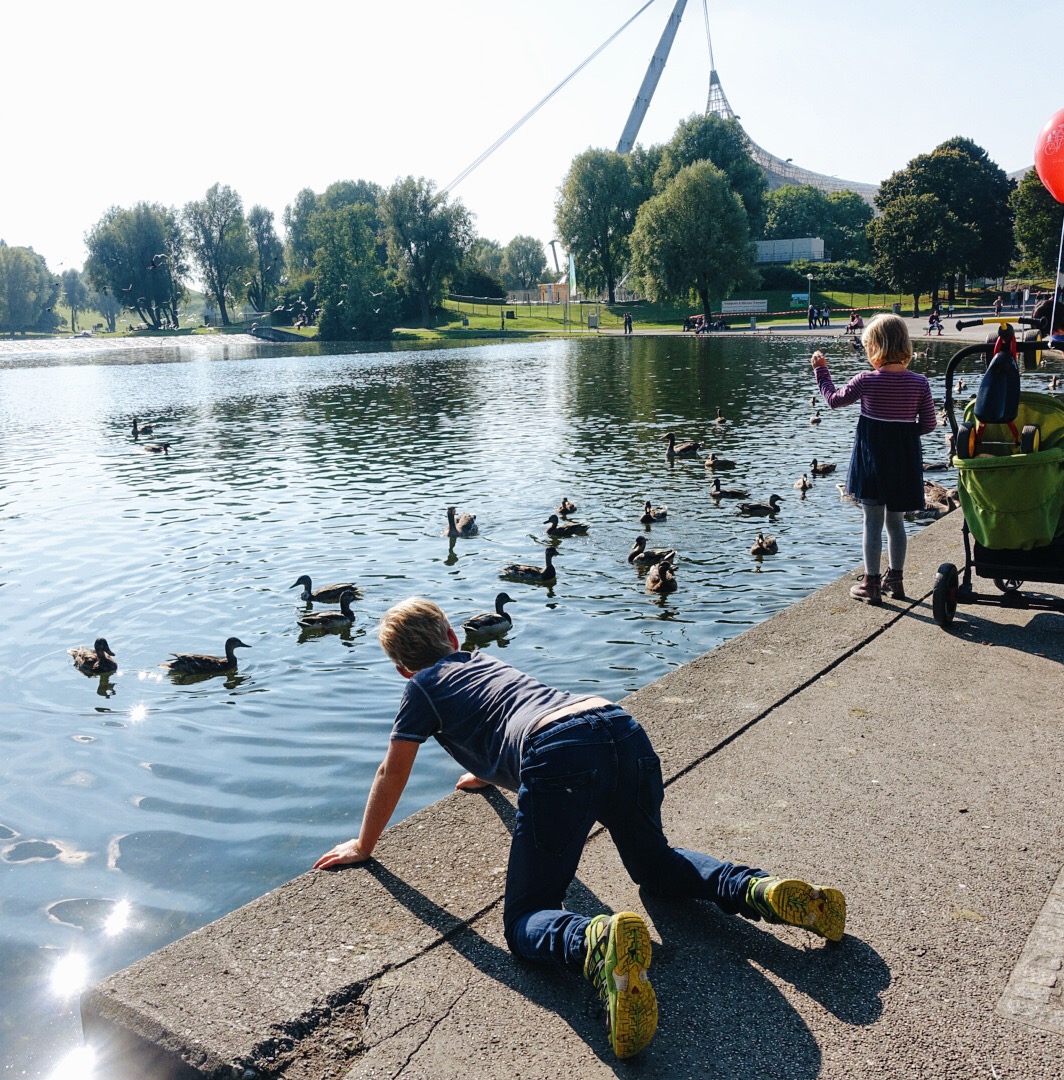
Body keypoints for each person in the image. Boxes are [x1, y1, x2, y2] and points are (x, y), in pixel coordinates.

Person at [313, 599, 847, 1060]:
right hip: (617, 727)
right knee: (656, 866)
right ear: (453, 638)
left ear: (403, 669)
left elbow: (393, 770)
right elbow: (506, 716)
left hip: (561, 758)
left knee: (524, 919)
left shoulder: (422, 688)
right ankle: (758, 888)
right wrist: (486, 771)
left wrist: (365, 845)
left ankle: (591, 941)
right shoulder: (483, 660)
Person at [811, 314, 937, 603]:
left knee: (872, 521)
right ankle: (896, 579)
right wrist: (903, 435)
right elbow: (929, 424)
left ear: (876, 347)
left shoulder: (866, 380)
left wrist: (822, 371)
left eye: (868, 346)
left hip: (872, 462)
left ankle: (870, 584)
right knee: (897, 522)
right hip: (904, 462)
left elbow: (833, 400)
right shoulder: (920, 383)